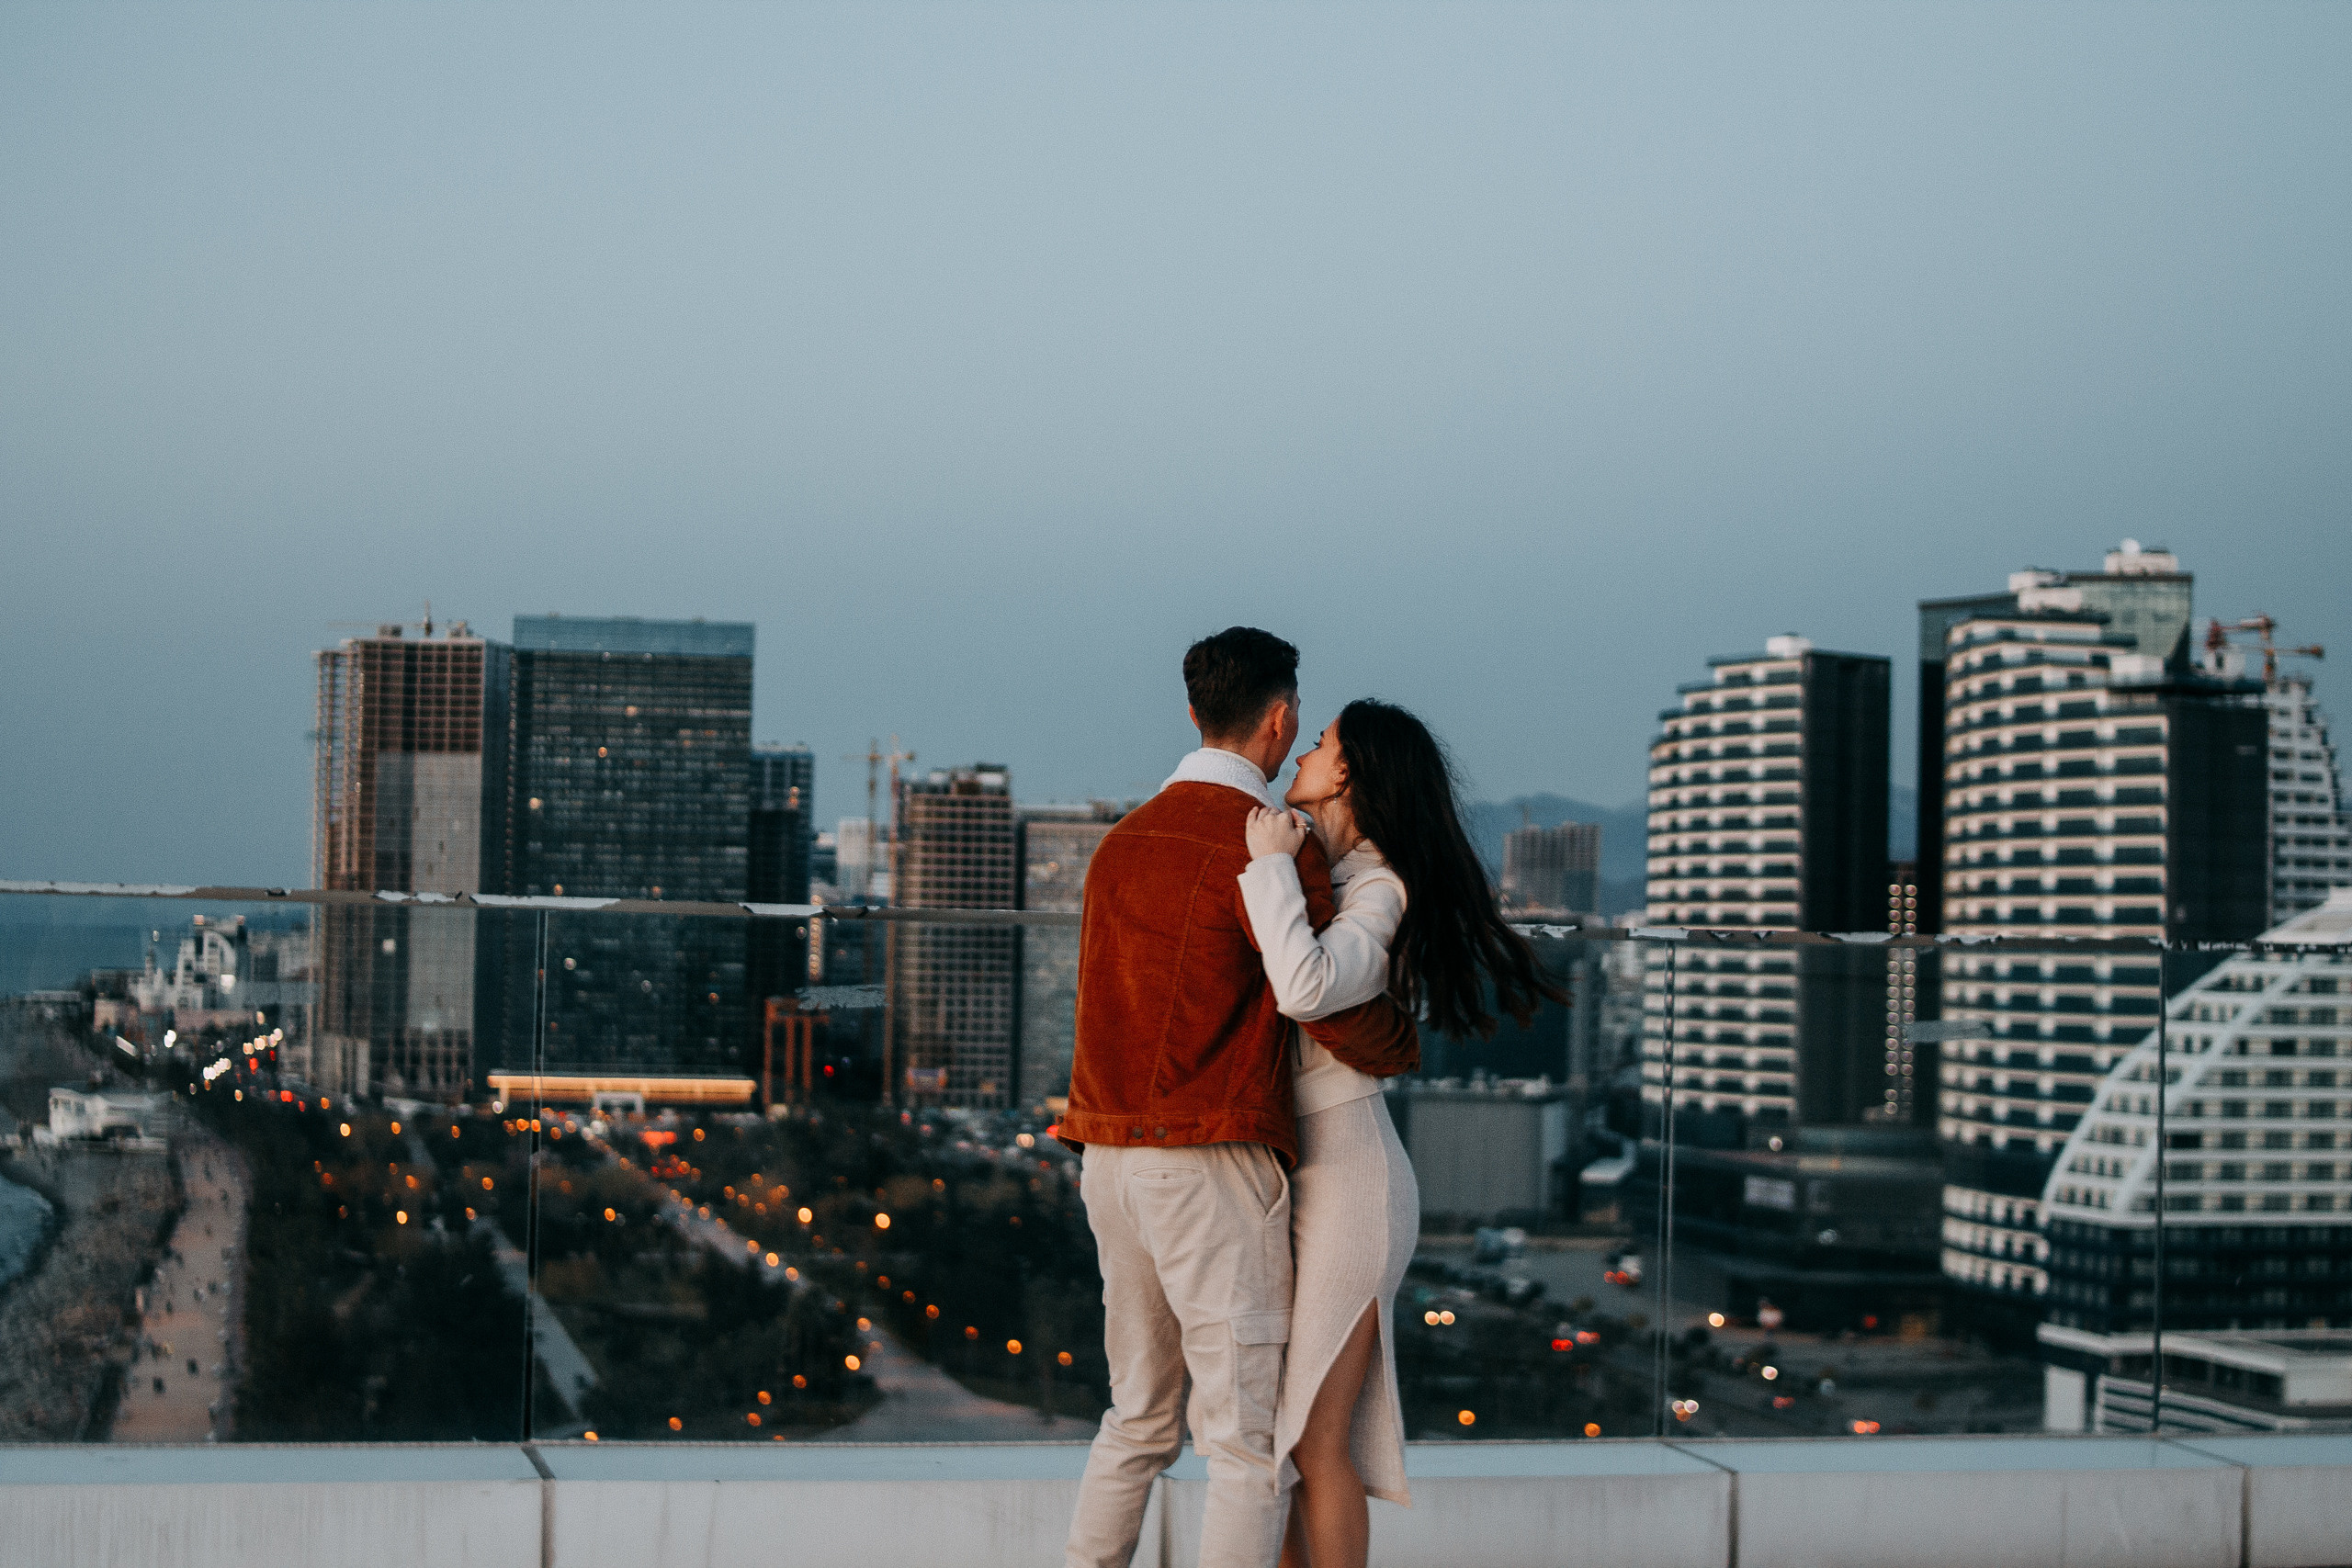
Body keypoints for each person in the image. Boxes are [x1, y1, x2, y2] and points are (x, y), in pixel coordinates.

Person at [1059, 628, 1419, 1568]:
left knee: (1134, 1418)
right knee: (1244, 1449)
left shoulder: (1117, 847)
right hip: (1211, 1159)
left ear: (1191, 713)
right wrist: (1401, 1040)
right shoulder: (1273, 848)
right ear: (1281, 716)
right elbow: (1337, 1018)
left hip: (1105, 1157)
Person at [1239, 698, 1565, 1568]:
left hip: (1351, 1183)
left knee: (1315, 1440)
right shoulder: (1333, 870)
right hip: (1304, 1172)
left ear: (1346, 772)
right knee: (1288, 1442)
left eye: (1321, 742)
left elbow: (1306, 987)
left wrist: (1269, 865)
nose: (1304, 752)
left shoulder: (1379, 886)